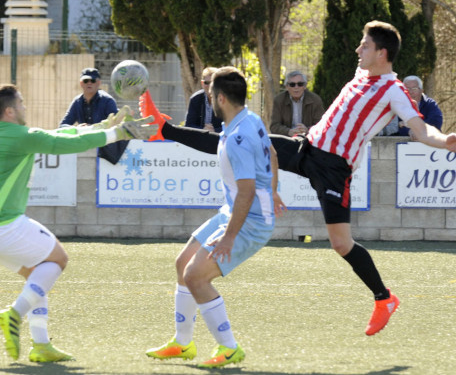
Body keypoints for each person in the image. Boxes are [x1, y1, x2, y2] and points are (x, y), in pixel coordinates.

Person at [149, 21, 456, 337]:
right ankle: (166, 129)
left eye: (364, 45)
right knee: (242, 141)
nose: (357, 49)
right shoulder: (360, 74)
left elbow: (420, 129)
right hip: (306, 148)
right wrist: (274, 187)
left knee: (340, 243)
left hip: (334, 170)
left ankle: (384, 298)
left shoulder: (394, 90)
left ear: (382, 52)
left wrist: (444, 141)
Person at [0, 84, 156, 362]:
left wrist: (100, 125)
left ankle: (41, 345)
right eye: (21, 103)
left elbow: (56, 135)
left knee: (37, 276)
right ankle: (14, 314)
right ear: (9, 111)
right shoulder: (18, 135)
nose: (25, 108)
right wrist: (116, 133)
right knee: (57, 260)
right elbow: (60, 144)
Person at [146, 67, 281, 368]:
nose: (208, 100)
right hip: (234, 211)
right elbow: (271, 153)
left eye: (209, 95)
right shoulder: (249, 119)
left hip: (250, 222)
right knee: (183, 264)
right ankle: (182, 344)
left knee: (196, 276)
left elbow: (246, 192)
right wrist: (273, 190)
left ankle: (229, 348)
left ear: (220, 98)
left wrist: (229, 236)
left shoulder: (238, 137)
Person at [270, 70, 324, 136]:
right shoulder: (279, 100)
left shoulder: (315, 100)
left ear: (304, 86)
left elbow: (321, 125)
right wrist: (288, 131)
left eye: (300, 84)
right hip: (286, 139)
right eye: (292, 84)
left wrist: (307, 130)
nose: (296, 87)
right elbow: (274, 126)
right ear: (287, 87)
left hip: (308, 139)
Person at [184, 67, 222, 133]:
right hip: (200, 139)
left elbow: (231, 126)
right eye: (206, 83)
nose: (210, 86)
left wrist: (214, 131)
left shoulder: (225, 100)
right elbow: (188, 125)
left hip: (220, 139)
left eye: (213, 83)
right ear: (202, 83)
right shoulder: (195, 99)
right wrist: (203, 130)